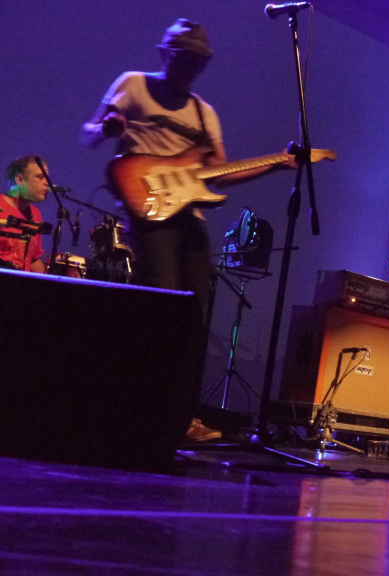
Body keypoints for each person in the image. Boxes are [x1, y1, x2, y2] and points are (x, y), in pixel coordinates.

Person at [80, 19, 294, 442]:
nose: (189, 67)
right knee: (161, 309)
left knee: (193, 320)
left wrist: (277, 164)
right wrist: (106, 130)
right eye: (182, 58)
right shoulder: (134, 85)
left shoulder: (204, 112)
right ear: (165, 54)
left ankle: (180, 416)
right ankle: (143, 412)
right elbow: (88, 135)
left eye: (197, 61)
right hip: (150, 214)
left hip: (190, 220)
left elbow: (219, 174)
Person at [2, 156, 49, 273]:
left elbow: (32, 260)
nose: (47, 183)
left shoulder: (35, 214)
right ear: (20, 180)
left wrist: (58, 277)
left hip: (20, 286)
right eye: (40, 177)